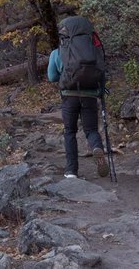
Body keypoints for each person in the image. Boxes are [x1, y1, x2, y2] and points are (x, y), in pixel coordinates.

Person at [47, 16, 109, 179]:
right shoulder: (93, 50)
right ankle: (97, 148)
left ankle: (71, 171)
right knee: (91, 130)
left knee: (70, 132)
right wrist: (101, 90)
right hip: (90, 95)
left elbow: (52, 76)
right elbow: (102, 72)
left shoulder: (57, 52)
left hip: (69, 96)